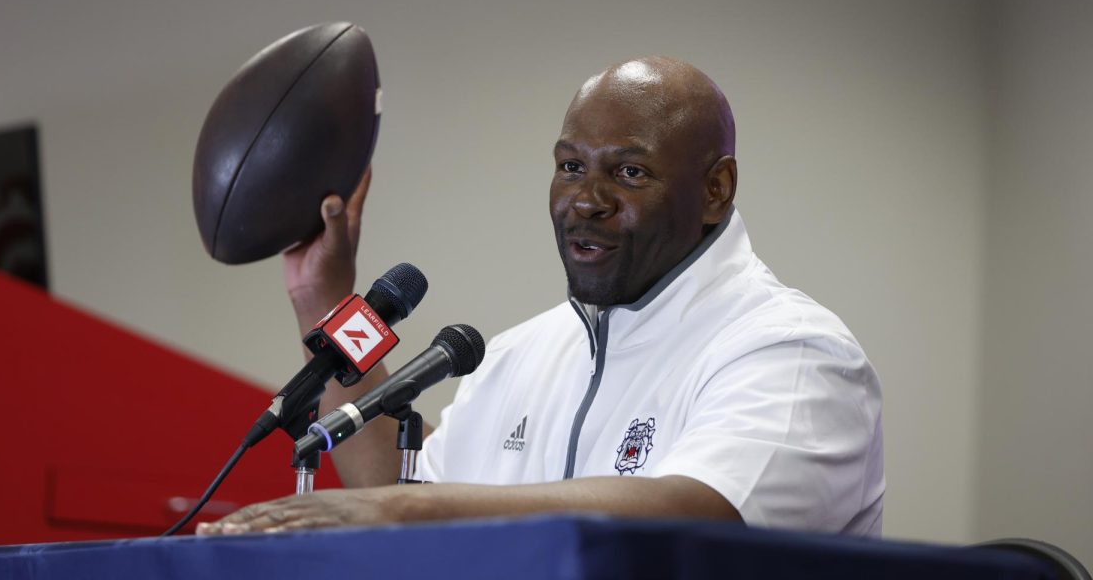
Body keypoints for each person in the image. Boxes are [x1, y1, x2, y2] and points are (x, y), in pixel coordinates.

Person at [198, 57, 884, 536]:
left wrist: (402, 513)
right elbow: (402, 488)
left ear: (715, 190)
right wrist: (326, 298)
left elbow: (694, 512)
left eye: (630, 171)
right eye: (570, 167)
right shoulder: (517, 355)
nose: (586, 199)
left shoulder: (791, 351)